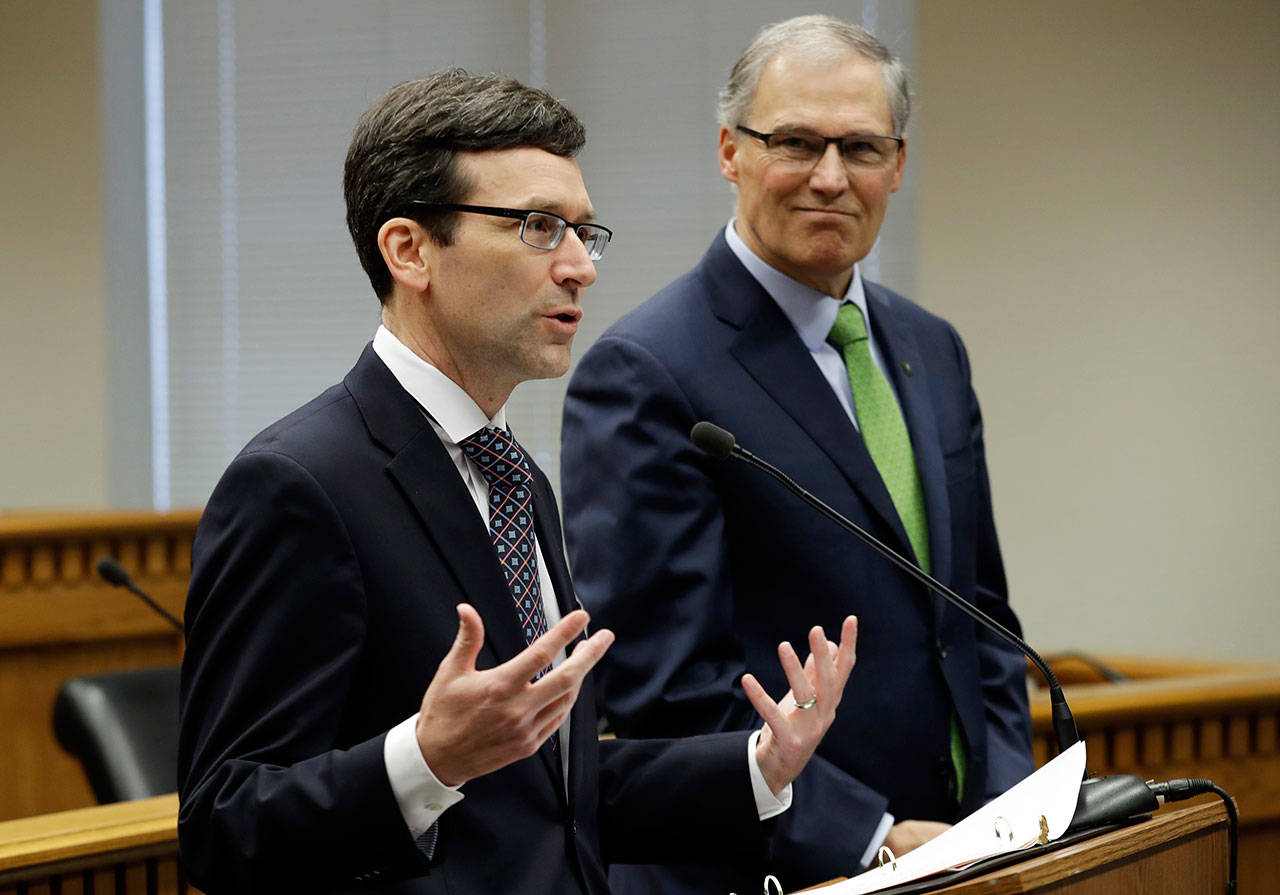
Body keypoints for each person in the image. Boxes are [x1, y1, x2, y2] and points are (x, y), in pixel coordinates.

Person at [177, 69, 858, 895]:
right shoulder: (297, 483)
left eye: (583, 231)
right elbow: (223, 824)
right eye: (538, 227)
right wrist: (422, 759)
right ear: (410, 250)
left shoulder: (516, 477)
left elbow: (550, 797)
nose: (580, 268)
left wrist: (755, 765)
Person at [561, 15, 1035, 894]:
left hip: (966, 855)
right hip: (783, 866)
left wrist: (1007, 813)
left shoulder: (931, 347)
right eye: (795, 142)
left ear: (897, 164)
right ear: (729, 152)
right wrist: (874, 837)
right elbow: (666, 692)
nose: (829, 177)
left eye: (859, 147)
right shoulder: (647, 371)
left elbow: (977, 618)